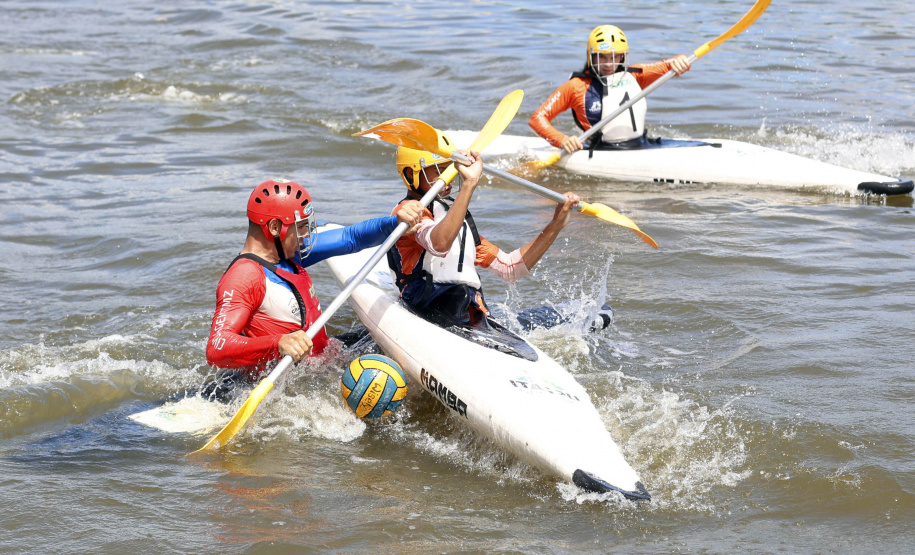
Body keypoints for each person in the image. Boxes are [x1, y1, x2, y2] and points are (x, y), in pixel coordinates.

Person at [205, 178, 424, 383]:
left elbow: (350, 238)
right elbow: (217, 347)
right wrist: (278, 343)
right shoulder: (245, 276)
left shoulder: (290, 254)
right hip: (279, 382)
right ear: (274, 228)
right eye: (300, 227)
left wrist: (395, 222)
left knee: (385, 339)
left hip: (320, 361)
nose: (305, 235)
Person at [386, 144, 581, 328]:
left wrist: (556, 224)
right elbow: (439, 244)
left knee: (463, 296)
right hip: (426, 304)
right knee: (457, 294)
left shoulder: (456, 220)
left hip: (463, 307)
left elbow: (511, 269)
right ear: (412, 174)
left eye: (449, 169)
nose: (448, 179)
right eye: (438, 171)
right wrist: (469, 184)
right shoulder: (407, 213)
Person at [529, 24, 691, 153]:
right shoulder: (576, 86)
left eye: (614, 57)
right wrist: (562, 140)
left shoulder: (635, 75)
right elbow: (537, 119)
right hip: (598, 151)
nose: (608, 63)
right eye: (602, 56)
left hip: (640, 145)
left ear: (623, 56)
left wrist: (680, 61)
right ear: (591, 56)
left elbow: (669, 65)